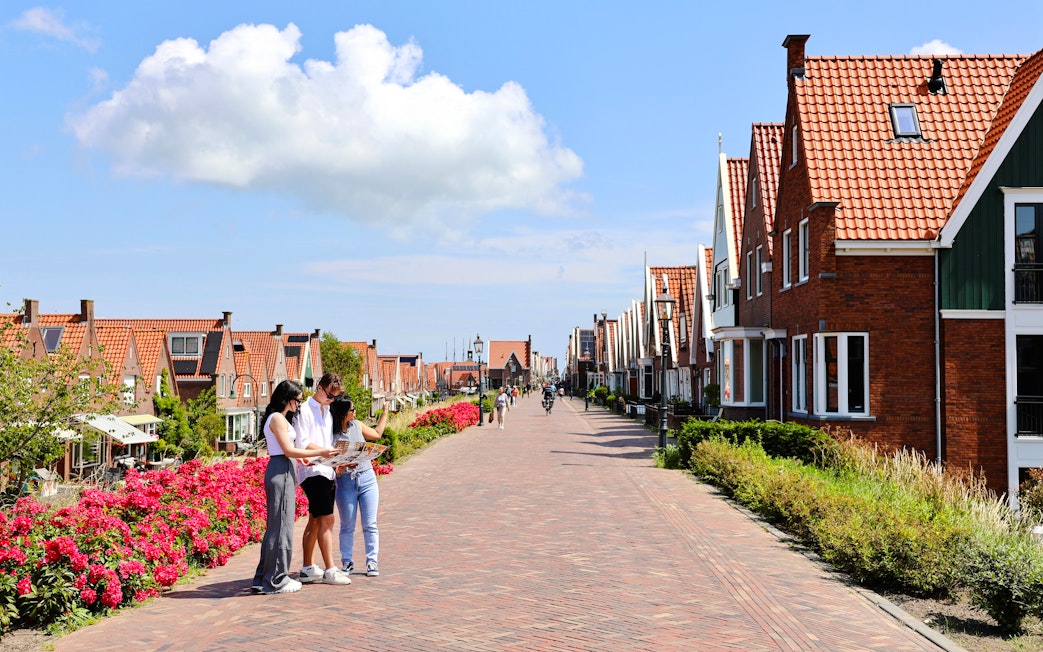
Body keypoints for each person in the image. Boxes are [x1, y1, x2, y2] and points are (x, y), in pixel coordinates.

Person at [252, 380, 337, 594]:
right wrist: (321, 453)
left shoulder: (280, 418)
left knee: (278, 526)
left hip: (284, 468)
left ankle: (264, 577)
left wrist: (308, 459)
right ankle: (276, 579)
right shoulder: (278, 418)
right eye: (297, 400)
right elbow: (289, 450)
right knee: (281, 527)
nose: (299, 404)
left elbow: (290, 452)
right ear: (287, 398)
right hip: (281, 469)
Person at [295, 374, 352, 586]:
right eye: (329, 395)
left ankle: (308, 567)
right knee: (328, 519)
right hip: (313, 470)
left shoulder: (327, 410)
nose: (331, 400)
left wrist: (336, 457)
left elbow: (327, 439)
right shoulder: (304, 410)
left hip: (326, 469)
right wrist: (324, 451)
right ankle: (330, 569)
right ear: (319, 388)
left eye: (334, 397)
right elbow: (303, 442)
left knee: (316, 519)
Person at [331, 396, 389, 578]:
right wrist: (342, 466)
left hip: (367, 478)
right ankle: (347, 562)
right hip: (345, 481)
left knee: (370, 524)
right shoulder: (331, 434)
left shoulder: (357, 425)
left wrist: (385, 412)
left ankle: (372, 561)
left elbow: (377, 434)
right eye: (352, 410)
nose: (354, 413)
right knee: (347, 525)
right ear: (343, 413)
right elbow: (330, 463)